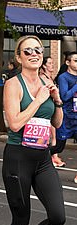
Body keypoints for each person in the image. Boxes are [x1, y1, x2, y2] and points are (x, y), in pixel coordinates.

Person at [0, 35, 65, 225]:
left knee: (58, 216)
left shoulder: (47, 81)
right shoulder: (14, 84)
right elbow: (13, 123)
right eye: (28, 51)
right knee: (20, 220)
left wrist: (56, 100)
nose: (34, 53)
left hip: (42, 158)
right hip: (18, 158)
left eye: (38, 49)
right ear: (19, 57)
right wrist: (38, 98)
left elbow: (56, 123)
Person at [51, 51, 77, 183]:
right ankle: (42, 157)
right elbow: (65, 96)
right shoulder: (64, 77)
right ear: (68, 63)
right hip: (66, 117)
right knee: (59, 147)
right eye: (76, 61)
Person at [39, 56, 65, 167]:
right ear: (44, 65)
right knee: (52, 137)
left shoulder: (51, 78)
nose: (52, 64)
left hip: (55, 108)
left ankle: (54, 157)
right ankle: (50, 156)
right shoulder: (42, 78)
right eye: (49, 63)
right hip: (48, 110)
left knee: (55, 134)